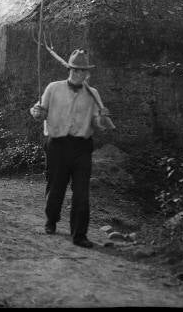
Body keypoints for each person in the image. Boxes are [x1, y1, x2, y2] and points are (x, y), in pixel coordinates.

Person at [29, 49, 111, 249]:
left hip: (82, 147)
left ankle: (79, 235)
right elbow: (39, 111)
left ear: (87, 73)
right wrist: (38, 112)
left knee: (81, 192)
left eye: (82, 71)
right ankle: (51, 219)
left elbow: (98, 124)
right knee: (56, 187)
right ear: (69, 69)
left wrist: (102, 118)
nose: (78, 74)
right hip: (57, 145)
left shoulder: (93, 94)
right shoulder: (53, 88)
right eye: (74, 69)